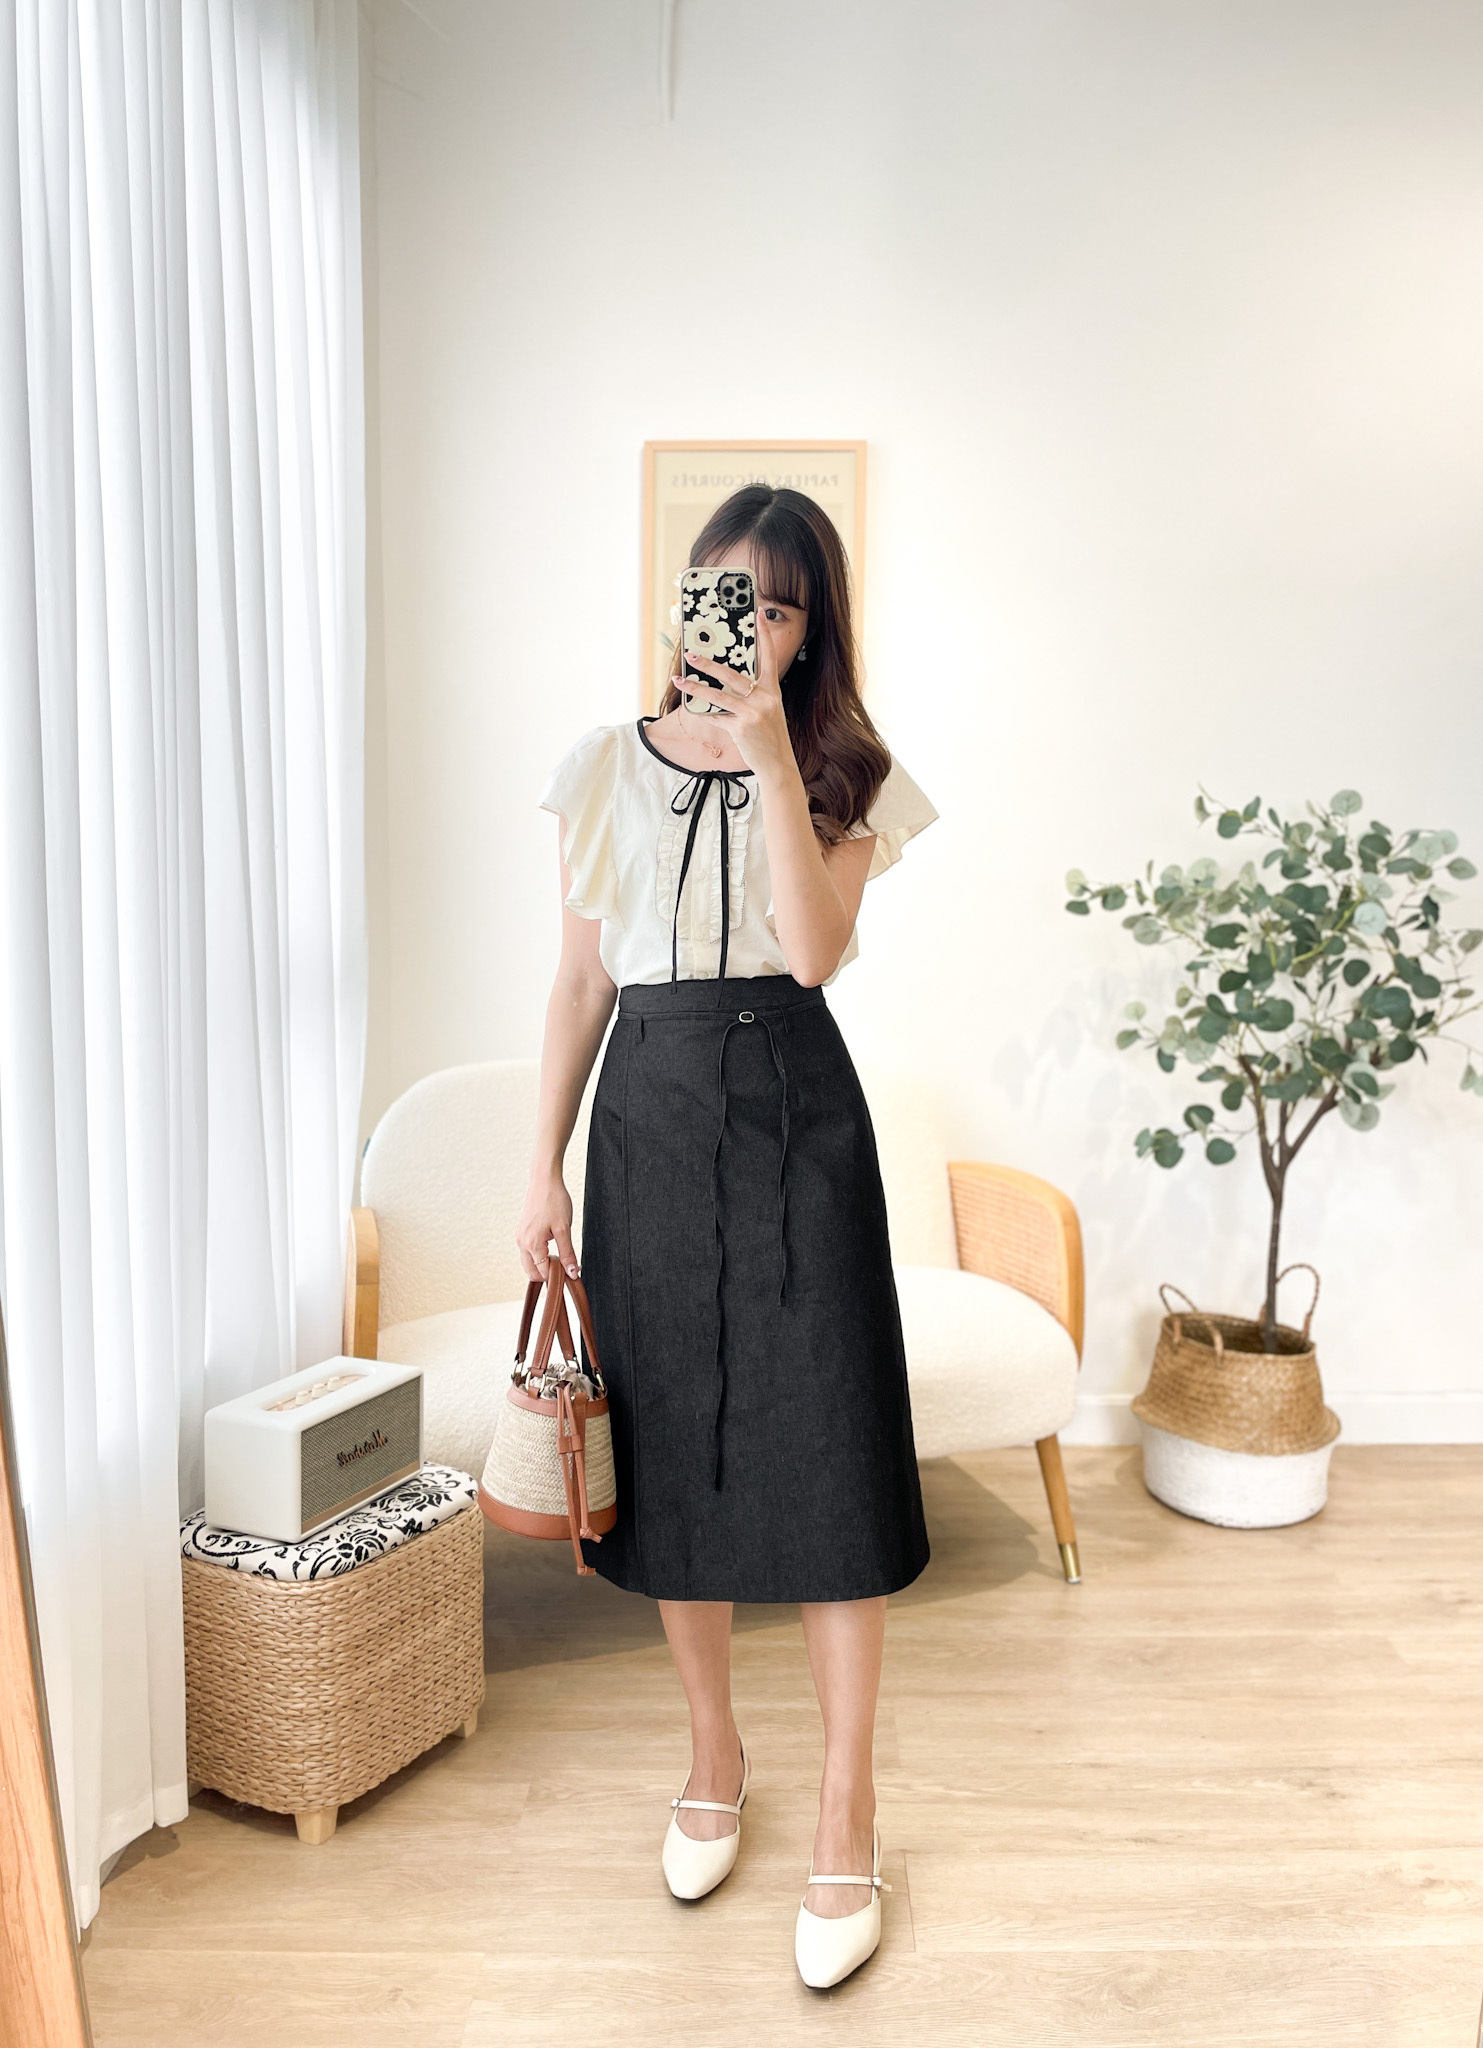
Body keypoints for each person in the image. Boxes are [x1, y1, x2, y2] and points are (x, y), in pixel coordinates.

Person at [516, 484, 937, 1988]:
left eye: (777, 603)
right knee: (671, 1445)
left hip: (797, 1115)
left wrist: (766, 754)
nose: (746, 624)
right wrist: (541, 1168)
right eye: (724, 593)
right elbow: (583, 985)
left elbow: (813, 957)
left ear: (813, 628)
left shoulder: (844, 774)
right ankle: (714, 1752)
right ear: (684, 598)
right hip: (647, 1114)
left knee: (828, 1444)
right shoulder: (600, 768)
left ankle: (847, 1805)